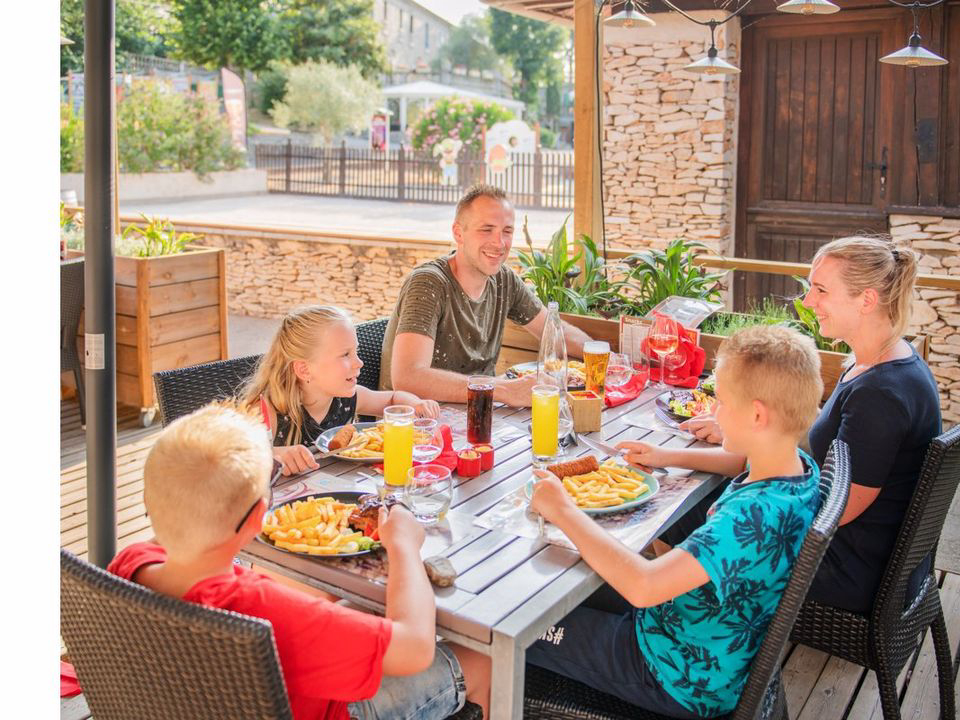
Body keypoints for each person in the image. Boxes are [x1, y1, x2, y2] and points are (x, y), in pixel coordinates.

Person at [108, 403, 490, 720]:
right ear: (259, 517)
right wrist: (404, 545)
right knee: (484, 659)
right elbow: (416, 648)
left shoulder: (128, 564)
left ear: (148, 500)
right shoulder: (262, 612)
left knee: (352, 605)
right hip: (333, 712)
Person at [523, 326, 824, 718]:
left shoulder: (748, 519)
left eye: (721, 403)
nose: (714, 412)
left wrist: (563, 511)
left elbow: (645, 586)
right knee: (552, 587)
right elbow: (740, 461)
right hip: (696, 636)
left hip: (674, 672)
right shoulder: (795, 467)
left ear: (756, 415)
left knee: (519, 631)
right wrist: (666, 457)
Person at [662, 236, 941, 614]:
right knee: (706, 504)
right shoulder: (879, 361)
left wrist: (741, 503)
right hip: (866, 552)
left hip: (850, 569)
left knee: (680, 517)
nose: (808, 301)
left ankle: (676, 627)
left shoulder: (881, 395)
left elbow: (836, 512)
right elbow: (810, 456)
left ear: (867, 300)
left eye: (821, 290)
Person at [380, 183, 591, 407]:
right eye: (486, 229)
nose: (499, 243)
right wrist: (502, 389)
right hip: (419, 426)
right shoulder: (429, 283)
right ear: (458, 233)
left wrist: (605, 357)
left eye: (507, 231)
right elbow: (407, 378)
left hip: (482, 414)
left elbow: (555, 330)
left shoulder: (504, 280)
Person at [242, 305, 441, 477]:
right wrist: (271, 455)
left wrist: (414, 404)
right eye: (346, 354)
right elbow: (230, 460)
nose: (359, 362)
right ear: (304, 369)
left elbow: (392, 400)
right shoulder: (268, 410)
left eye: (356, 351)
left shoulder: (347, 398)